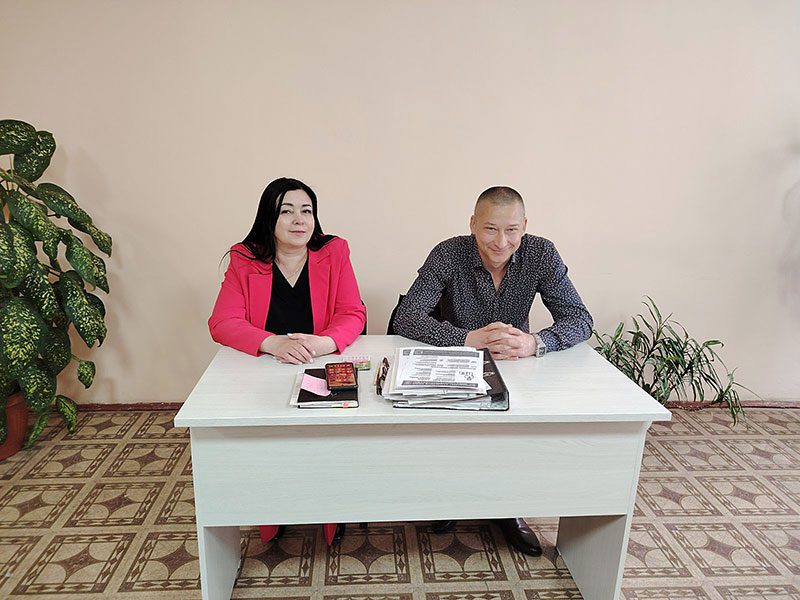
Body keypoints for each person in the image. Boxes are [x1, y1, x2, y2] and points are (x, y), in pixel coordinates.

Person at [393, 185, 592, 556]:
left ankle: (508, 507)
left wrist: (534, 342)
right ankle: (454, 498)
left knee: (511, 435)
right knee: (456, 436)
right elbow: (407, 316)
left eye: (512, 230)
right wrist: (466, 338)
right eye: (490, 229)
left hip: (516, 363)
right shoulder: (448, 253)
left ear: (524, 226)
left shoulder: (541, 254)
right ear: (473, 224)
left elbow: (579, 318)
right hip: (457, 363)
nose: (501, 242)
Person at [208, 177, 366, 546]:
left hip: (318, 365)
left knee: (322, 443)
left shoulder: (334, 252)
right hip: (267, 369)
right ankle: (273, 508)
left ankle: (329, 508)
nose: (299, 220)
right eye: (287, 211)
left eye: (306, 211)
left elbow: (352, 313)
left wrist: (323, 342)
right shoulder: (245, 258)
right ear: (269, 217)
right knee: (269, 444)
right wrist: (273, 343)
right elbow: (222, 322)